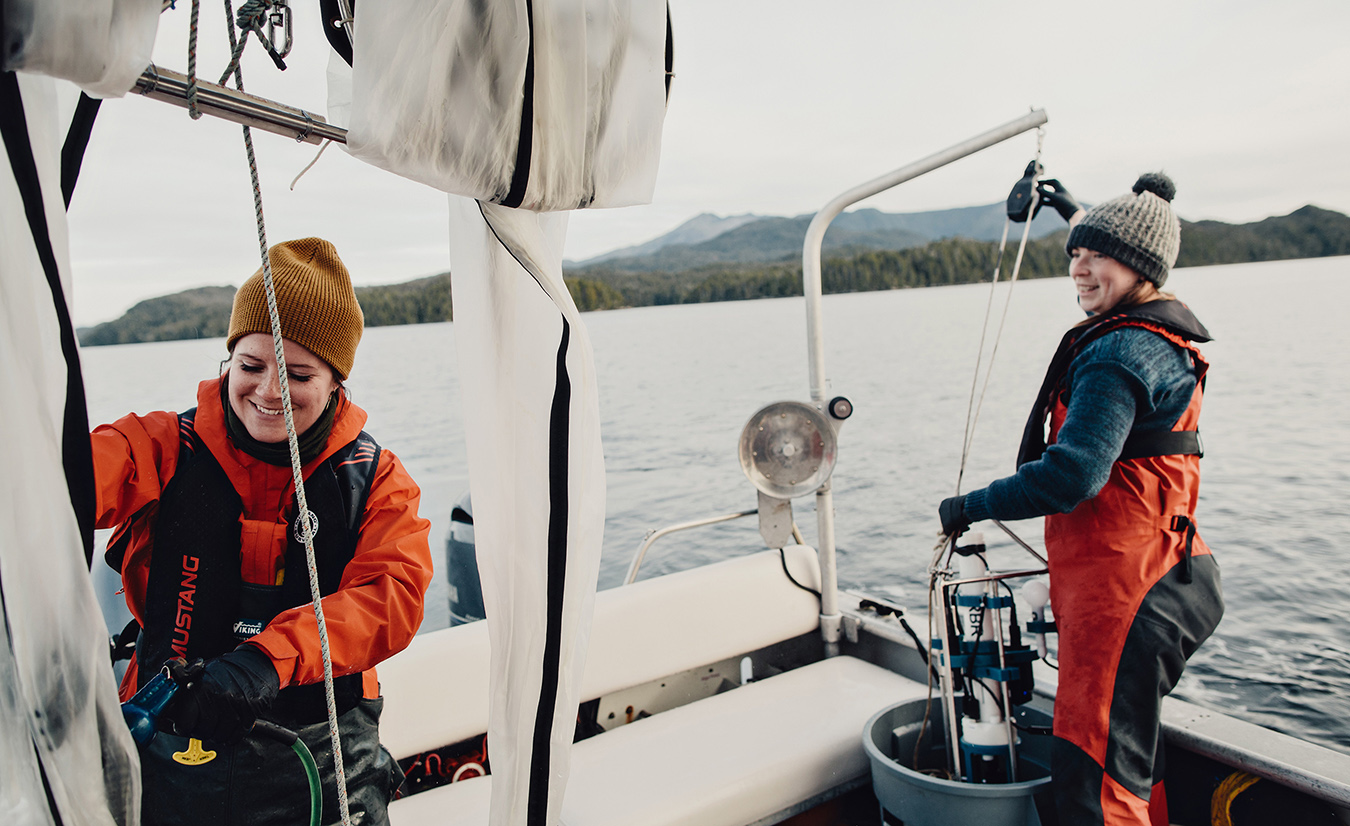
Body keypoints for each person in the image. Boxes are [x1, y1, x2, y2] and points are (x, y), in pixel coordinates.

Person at [93, 238, 433, 826]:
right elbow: (62, 480)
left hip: (324, 754)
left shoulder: (377, 480)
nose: (269, 391)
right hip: (168, 735)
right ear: (228, 361)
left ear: (336, 382)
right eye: (251, 366)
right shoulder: (160, 445)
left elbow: (393, 596)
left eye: (299, 373)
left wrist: (268, 659)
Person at [938, 174, 1224, 826]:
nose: (1080, 268)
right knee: (1129, 769)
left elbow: (1071, 476)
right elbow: (1117, 241)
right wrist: (1068, 208)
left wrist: (969, 506)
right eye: (1074, 252)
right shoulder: (1155, 330)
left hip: (1129, 595)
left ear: (1141, 267)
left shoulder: (1120, 351)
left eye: (1098, 256)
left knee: (1093, 789)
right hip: (1171, 570)